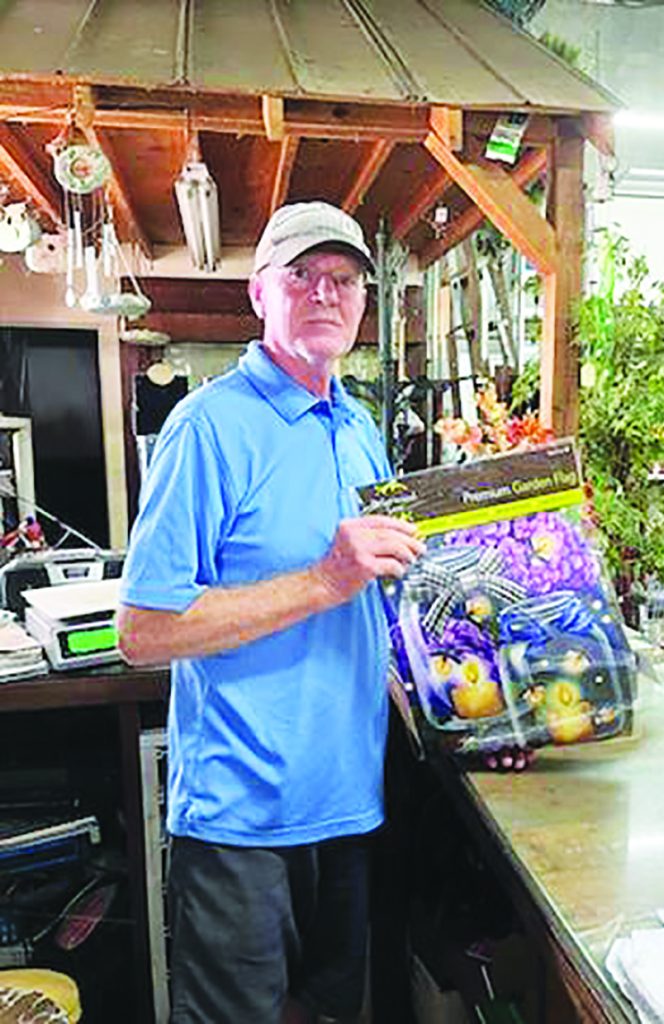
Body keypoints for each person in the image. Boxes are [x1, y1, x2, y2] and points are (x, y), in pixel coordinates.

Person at [116, 200, 424, 1024]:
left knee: (328, 1016)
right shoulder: (207, 428)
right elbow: (143, 632)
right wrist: (324, 579)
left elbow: (377, 606)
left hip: (350, 797)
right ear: (260, 295)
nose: (326, 293)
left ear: (365, 302)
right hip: (243, 817)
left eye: (345, 279)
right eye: (302, 277)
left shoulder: (359, 427)